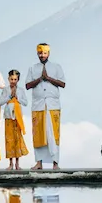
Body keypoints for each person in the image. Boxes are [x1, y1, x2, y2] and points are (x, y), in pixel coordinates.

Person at [26, 42, 66, 170]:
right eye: (40, 53)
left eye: (44, 53)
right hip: (38, 106)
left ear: (48, 53)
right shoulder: (33, 68)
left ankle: (55, 163)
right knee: (38, 134)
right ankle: (39, 163)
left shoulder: (56, 67)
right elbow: (27, 85)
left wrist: (48, 78)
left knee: (53, 134)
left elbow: (63, 84)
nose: (42, 55)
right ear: (37, 53)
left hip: (53, 105)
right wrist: (39, 79)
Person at [0, 69, 29, 171]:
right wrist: (9, 96)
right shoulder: (5, 90)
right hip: (8, 116)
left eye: (15, 79)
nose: (13, 81)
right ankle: (10, 163)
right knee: (9, 140)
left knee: (17, 139)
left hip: (17, 116)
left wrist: (17, 98)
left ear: (18, 80)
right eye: (11, 79)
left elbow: (25, 102)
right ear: (8, 79)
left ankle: (17, 163)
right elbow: (0, 102)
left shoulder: (21, 90)